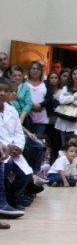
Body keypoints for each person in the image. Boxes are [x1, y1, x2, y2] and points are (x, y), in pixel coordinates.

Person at [0, 77, 28, 222]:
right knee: (6, 165)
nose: (3, 93)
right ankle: (2, 201)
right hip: (4, 150)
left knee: (25, 175)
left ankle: (11, 199)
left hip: (11, 149)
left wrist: (19, 146)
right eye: (0, 90)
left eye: (6, 90)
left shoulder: (11, 110)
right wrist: (6, 146)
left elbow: (18, 132)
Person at [54, 66, 77, 145]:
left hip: (75, 123)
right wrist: (75, 97)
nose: (76, 76)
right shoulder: (65, 88)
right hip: (62, 121)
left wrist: (69, 99)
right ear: (71, 76)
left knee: (73, 146)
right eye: (74, 74)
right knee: (64, 146)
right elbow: (61, 100)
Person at [24, 61, 49, 136]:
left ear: (41, 71)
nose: (35, 71)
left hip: (41, 118)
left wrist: (40, 105)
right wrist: (31, 107)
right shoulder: (24, 83)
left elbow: (49, 99)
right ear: (29, 70)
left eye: (38, 69)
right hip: (26, 117)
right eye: (33, 68)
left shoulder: (46, 83)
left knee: (38, 142)